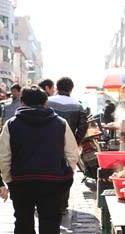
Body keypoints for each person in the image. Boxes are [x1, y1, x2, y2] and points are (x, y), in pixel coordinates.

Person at [0, 86, 79, 234]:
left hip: (22, 183)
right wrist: (65, 177)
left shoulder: (12, 124)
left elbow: (3, 157)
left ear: (22, 102)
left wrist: (10, 180)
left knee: (24, 224)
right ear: (45, 103)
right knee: (50, 227)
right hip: (53, 183)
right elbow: (72, 155)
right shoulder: (60, 124)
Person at [48, 77, 88, 214]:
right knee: (66, 173)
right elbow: (83, 126)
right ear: (71, 88)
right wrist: (75, 142)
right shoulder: (78, 105)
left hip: (46, 143)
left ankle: (46, 200)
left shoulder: (47, 102)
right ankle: (62, 204)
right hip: (67, 146)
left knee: (47, 171)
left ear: (57, 88)